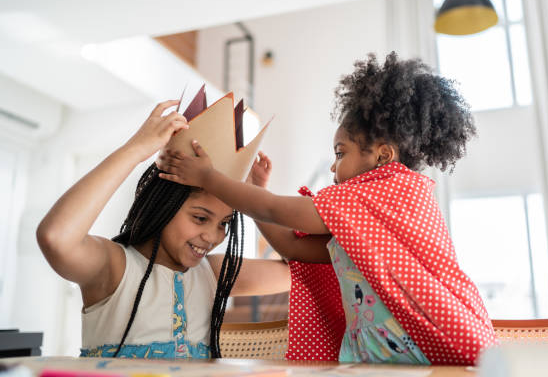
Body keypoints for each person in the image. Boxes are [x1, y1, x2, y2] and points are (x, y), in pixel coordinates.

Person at [157, 53, 498, 365]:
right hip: (396, 359)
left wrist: (210, 177)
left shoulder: (386, 190)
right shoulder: (369, 220)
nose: (334, 170)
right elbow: (292, 246)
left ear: (382, 156)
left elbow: (277, 209)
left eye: (340, 153)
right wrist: (256, 191)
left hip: (441, 342)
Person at [37, 100, 290, 359]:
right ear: (162, 205)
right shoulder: (115, 268)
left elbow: (295, 271)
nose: (213, 237)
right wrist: (135, 149)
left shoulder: (213, 274)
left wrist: (255, 197)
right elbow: (56, 237)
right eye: (200, 218)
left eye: (224, 223)